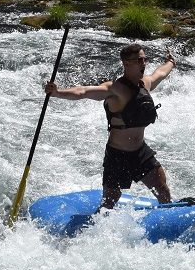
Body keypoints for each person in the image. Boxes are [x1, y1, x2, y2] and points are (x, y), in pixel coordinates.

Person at [45, 43, 176, 209]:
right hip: (117, 155)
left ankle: (166, 220)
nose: (144, 63)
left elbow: (161, 73)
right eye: (139, 60)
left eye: (145, 59)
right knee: (111, 199)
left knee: (161, 187)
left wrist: (170, 62)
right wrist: (57, 92)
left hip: (140, 152)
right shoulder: (114, 89)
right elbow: (83, 91)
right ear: (126, 64)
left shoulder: (146, 83)